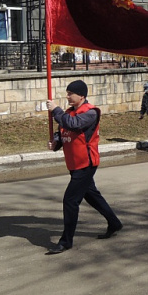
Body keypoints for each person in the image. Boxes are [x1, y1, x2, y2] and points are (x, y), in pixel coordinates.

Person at [45, 80, 122, 255]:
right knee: (92, 196)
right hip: (74, 163)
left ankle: (66, 242)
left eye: (70, 93)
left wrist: (55, 110)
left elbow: (73, 125)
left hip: (86, 164)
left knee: (70, 200)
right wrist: (55, 143)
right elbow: (63, 132)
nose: (67, 96)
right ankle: (114, 223)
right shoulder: (67, 113)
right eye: (67, 92)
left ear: (81, 95)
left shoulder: (90, 113)